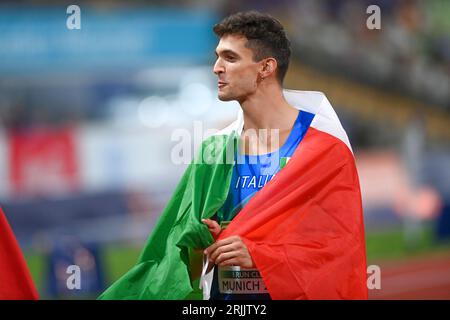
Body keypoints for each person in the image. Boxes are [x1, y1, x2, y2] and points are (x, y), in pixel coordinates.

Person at [99, 11, 367, 301]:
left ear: (265, 67)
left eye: (230, 58)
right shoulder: (213, 152)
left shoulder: (324, 149)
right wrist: (204, 244)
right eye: (217, 57)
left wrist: (259, 255)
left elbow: (337, 250)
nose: (216, 68)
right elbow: (179, 262)